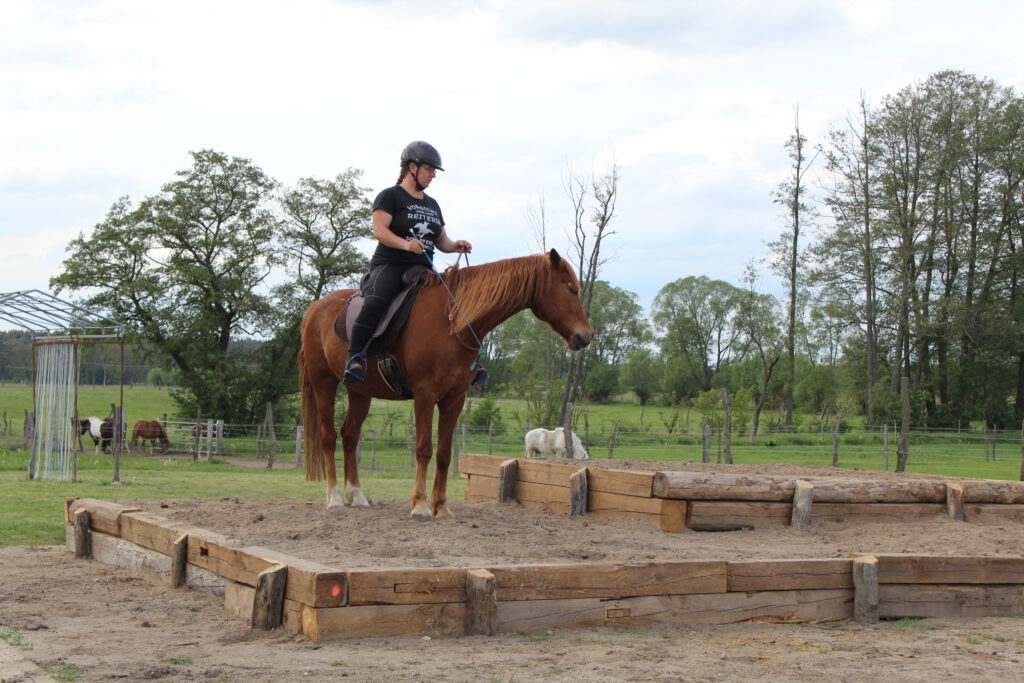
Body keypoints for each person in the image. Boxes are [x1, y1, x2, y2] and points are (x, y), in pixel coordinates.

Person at [344, 141, 473, 385]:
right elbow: (380, 231)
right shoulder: (390, 196)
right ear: (412, 167)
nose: (433, 175)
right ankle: (355, 358)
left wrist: (455, 245)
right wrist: (406, 244)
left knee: (455, 304)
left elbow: (441, 239)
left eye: (435, 171)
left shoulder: (432, 204)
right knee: (375, 302)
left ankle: (466, 363)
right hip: (390, 264)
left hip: (422, 269)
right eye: (430, 169)